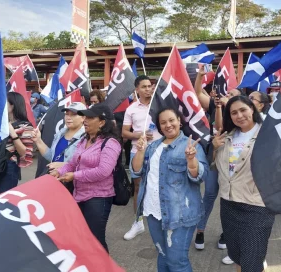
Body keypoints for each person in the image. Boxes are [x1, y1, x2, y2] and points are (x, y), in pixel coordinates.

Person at [131, 107, 208, 272]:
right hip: (153, 212)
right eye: (163, 122)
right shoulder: (153, 146)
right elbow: (136, 171)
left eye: (172, 120)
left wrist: (191, 160)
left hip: (180, 214)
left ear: (179, 122)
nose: (168, 125)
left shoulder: (191, 146)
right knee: (163, 256)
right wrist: (140, 151)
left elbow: (198, 177)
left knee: (177, 262)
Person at [212, 96, 274, 272]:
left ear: (252, 109)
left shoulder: (268, 134)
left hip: (256, 205)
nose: (239, 115)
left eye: (243, 110)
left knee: (252, 260)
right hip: (229, 203)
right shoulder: (226, 137)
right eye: (234, 112)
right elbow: (218, 168)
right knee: (237, 255)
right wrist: (215, 148)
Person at [50, 103, 121, 252]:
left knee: (96, 240)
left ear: (102, 122)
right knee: (82, 237)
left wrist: (75, 176)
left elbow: (103, 171)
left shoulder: (111, 143)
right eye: (85, 117)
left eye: (90, 117)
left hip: (98, 198)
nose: (85, 120)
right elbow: (72, 163)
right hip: (79, 196)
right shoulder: (84, 139)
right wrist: (60, 172)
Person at [194, 67, 242, 265]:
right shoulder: (216, 107)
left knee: (229, 198)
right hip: (215, 157)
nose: (227, 95)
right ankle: (200, 230)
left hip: (236, 163)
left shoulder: (242, 115)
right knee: (211, 193)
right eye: (227, 93)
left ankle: (226, 234)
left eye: (232, 94)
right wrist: (199, 75)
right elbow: (197, 93)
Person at [122, 75, 162, 241]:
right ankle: (138, 222)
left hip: (159, 150)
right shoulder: (131, 109)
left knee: (160, 185)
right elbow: (124, 133)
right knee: (138, 187)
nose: (148, 89)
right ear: (137, 89)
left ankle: (161, 219)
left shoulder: (160, 104)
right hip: (137, 150)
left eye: (150, 86)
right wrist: (139, 135)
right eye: (144, 86)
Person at [0, 92, 34, 199]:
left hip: (8, 167)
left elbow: (25, 153)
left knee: (5, 201)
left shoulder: (25, 126)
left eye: (4, 102)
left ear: (13, 105)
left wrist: (13, 134)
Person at [31, 102, 86, 176]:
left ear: (83, 118)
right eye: (67, 114)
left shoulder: (86, 138)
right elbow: (52, 156)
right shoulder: (60, 134)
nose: (69, 117)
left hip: (71, 183)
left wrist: (65, 165)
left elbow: (88, 166)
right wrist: (38, 140)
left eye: (73, 114)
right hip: (54, 179)